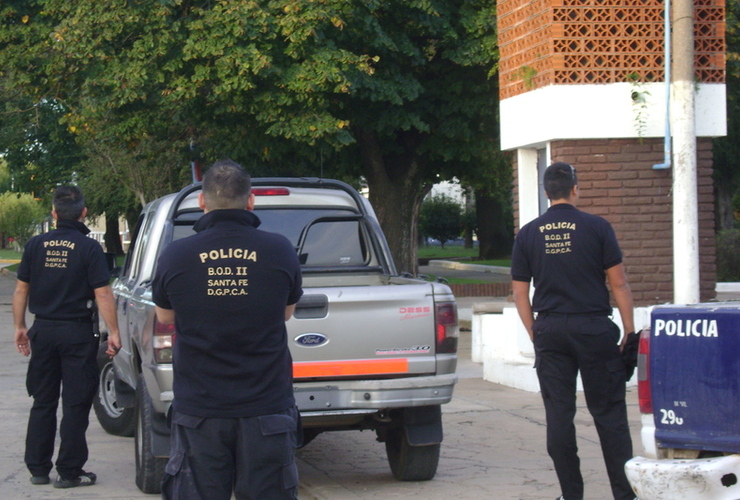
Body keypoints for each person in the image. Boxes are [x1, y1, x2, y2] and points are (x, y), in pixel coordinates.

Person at [152, 160, 303, 500]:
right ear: (250, 201)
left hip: (200, 412)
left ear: (202, 202)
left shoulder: (177, 254)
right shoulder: (279, 249)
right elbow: (286, 313)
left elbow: (165, 315)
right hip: (266, 407)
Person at [510, 162, 636, 500]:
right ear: (575, 188)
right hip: (593, 328)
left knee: (559, 416)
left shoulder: (528, 233)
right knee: (609, 414)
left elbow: (520, 292)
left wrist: (535, 330)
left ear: (546, 192)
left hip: (550, 329)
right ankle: (625, 495)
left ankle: (571, 495)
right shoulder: (597, 227)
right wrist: (628, 330)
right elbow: (619, 283)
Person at [13, 185, 121, 489]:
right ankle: (70, 471)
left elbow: (22, 289)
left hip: (43, 330)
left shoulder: (35, 245)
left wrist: (20, 326)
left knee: (43, 400)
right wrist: (113, 332)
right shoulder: (89, 248)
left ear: (54, 213)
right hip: (77, 332)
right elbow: (102, 292)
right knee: (75, 402)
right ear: (84, 213)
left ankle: (37, 468)